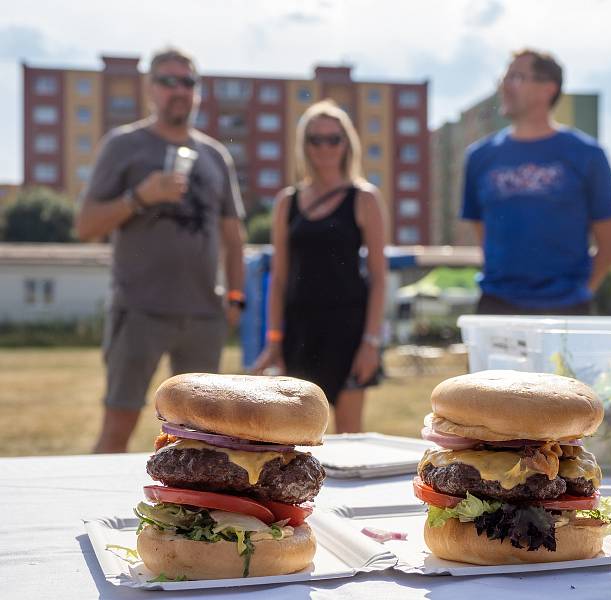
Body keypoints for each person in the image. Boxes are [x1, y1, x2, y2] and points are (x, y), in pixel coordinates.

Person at [74, 48, 246, 453]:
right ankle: (91, 512)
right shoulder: (123, 145)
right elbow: (86, 226)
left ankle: (188, 514)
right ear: (150, 89)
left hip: (204, 314)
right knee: (119, 423)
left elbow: (233, 237)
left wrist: (236, 298)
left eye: (187, 82)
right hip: (139, 310)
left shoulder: (215, 156)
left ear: (198, 92)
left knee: (203, 437)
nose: (178, 91)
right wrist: (140, 197)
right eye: (168, 81)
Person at [251, 100, 387, 433]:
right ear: (303, 145)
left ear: (347, 143)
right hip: (299, 332)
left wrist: (370, 342)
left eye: (333, 139)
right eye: (315, 139)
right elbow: (279, 278)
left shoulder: (364, 198)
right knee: (297, 433)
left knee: (350, 437)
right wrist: (273, 340)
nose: (324, 147)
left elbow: (380, 278)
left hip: (349, 332)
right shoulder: (288, 201)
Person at [461, 49, 611, 316]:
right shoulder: (479, 157)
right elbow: (482, 232)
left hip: (566, 309)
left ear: (548, 88)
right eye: (504, 77)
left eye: (517, 77)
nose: (505, 86)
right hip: (497, 307)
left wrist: (578, 294)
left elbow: (610, 246)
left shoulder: (587, 154)